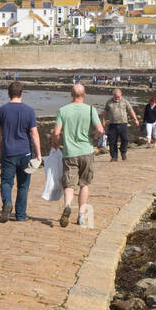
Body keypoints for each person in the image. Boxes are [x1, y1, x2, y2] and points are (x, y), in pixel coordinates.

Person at [52, 82, 104, 228]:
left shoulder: (63, 110)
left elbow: (56, 132)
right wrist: (92, 136)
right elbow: (100, 129)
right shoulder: (90, 110)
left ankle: (68, 205)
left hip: (69, 153)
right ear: (84, 95)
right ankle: (81, 215)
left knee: (69, 183)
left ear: (71, 94)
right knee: (84, 184)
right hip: (86, 151)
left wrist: (55, 143)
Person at [0, 79, 42, 223]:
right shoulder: (29, 111)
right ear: (21, 94)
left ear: (9, 94)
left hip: (8, 151)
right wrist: (39, 154)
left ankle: (7, 203)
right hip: (25, 153)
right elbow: (34, 133)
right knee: (23, 185)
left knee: (6, 182)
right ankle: (20, 215)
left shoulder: (2, 110)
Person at [102, 85, 139, 161]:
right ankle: (114, 156)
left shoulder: (125, 101)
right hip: (112, 124)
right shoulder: (109, 102)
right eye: (115, 97)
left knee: (125, 139)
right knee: (112, 141)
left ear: (121, 95)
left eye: (118, 97)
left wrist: (135, 119)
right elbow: (105, 112)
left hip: (123, 123)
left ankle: (123, 151)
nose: (117, 98)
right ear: (113, 95)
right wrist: (103, 121)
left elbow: (130, 110)